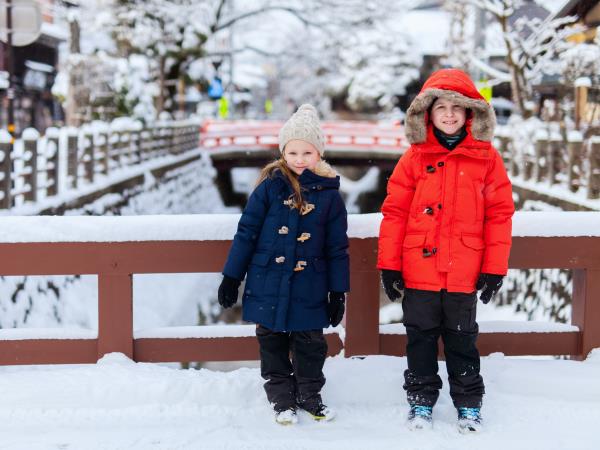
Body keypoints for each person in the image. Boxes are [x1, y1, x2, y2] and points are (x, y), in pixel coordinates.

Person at [377, 69, 514, 433]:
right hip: (418, 266)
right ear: (428, 113)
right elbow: (394, 212)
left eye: (457, 107)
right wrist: (389, 266)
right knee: (419, 338)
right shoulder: (414, 158)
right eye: (442, 107)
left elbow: (499, 214)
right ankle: (421, 399)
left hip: (464, 268)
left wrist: (494, 267)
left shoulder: (486, 158)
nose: (450, 114)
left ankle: (468, 402)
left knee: (462, 339)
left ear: (471, 113)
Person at [218, 104, 349, 425]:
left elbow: (337, 247)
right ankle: (281, 399)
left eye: (308, 152)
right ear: (283, 152)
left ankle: (310, 395)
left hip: (311, 284)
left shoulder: (330, 196)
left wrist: (337, 292)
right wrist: (232, 277)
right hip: (267, 279)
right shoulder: (269, 187)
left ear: (319, 154)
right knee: (272, 341)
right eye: (293, 152)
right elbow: (246, 233)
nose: (300, 159)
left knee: (310, 344)